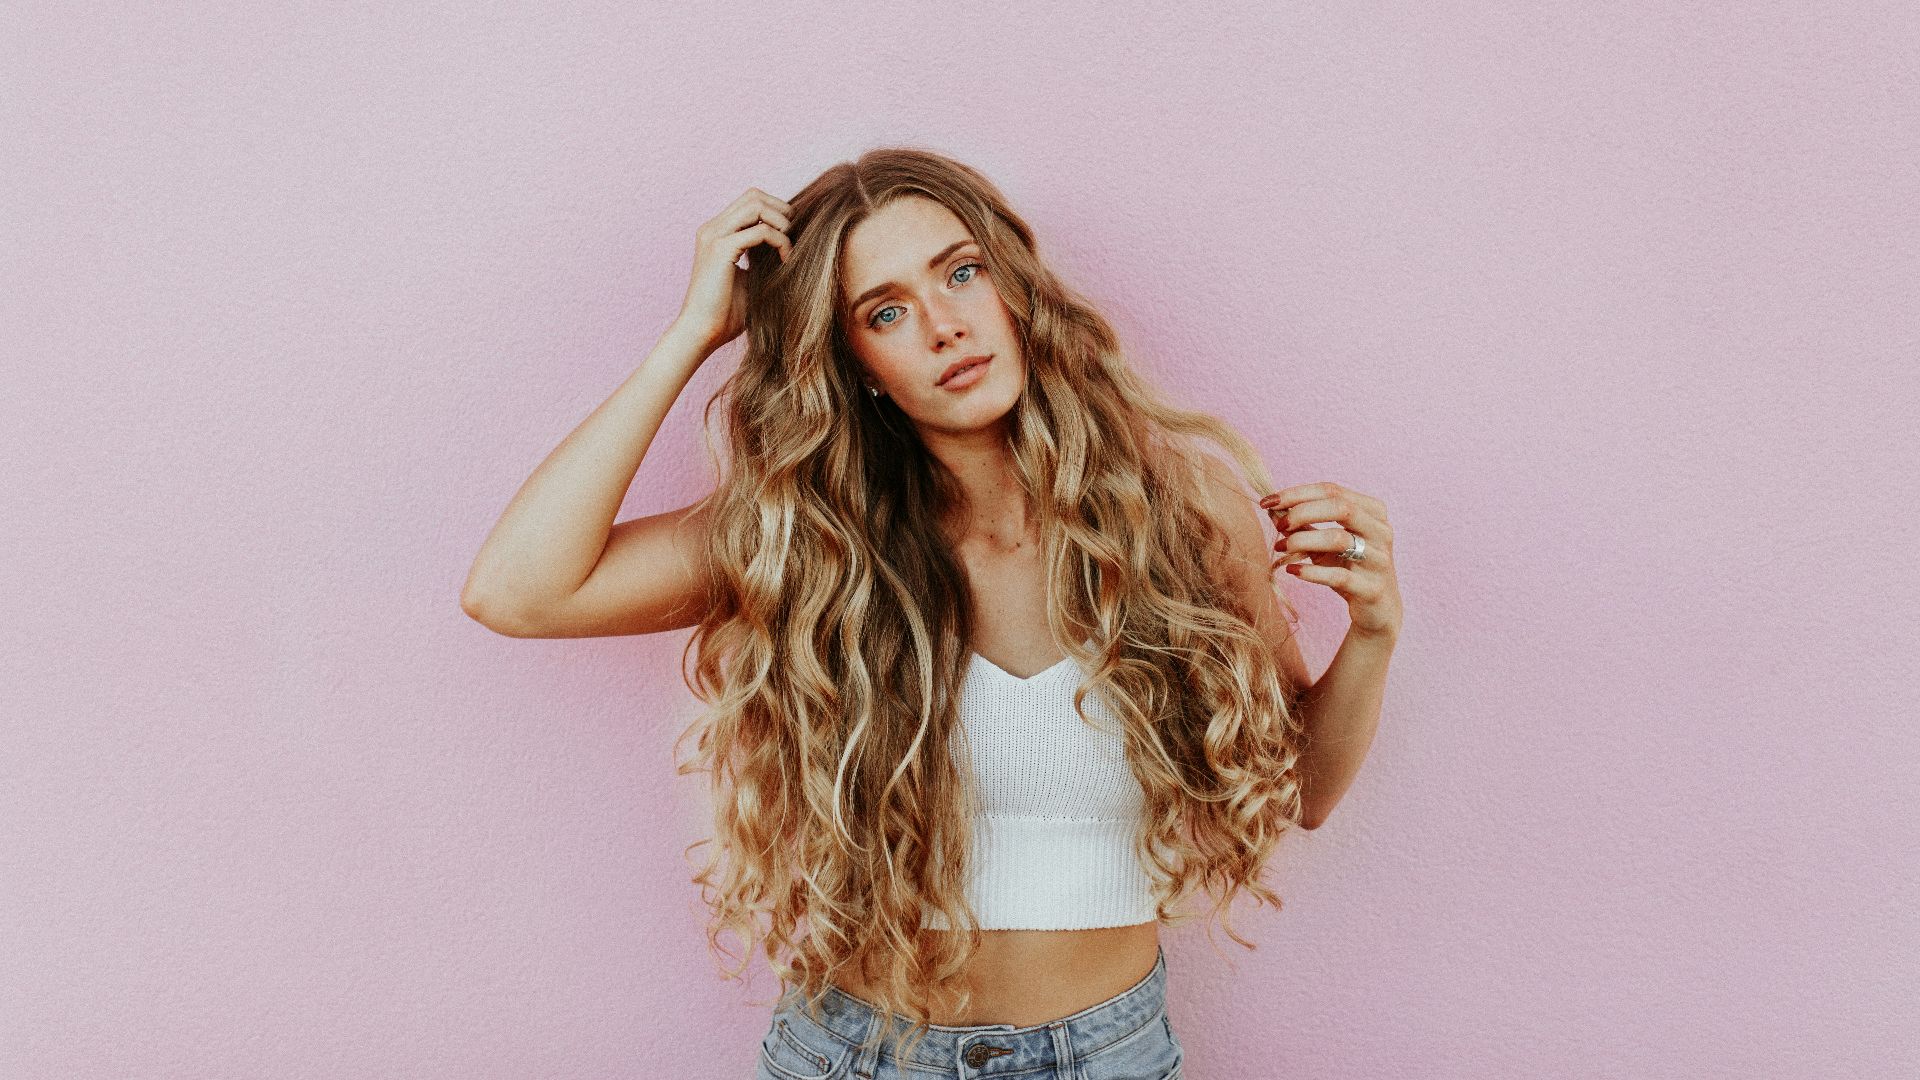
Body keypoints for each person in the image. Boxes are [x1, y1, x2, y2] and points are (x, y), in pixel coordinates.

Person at [461, 147, 1402, 1079]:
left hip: (1108, 1056)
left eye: (961, 273)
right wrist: (695, 332)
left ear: (1014, 287)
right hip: (858, 1056)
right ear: (857, 364)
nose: (945, 326)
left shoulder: (1180, 513)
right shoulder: (810, 541)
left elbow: (1303, 791)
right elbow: (518, 591)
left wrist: (1372, 633)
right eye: (886, 312)